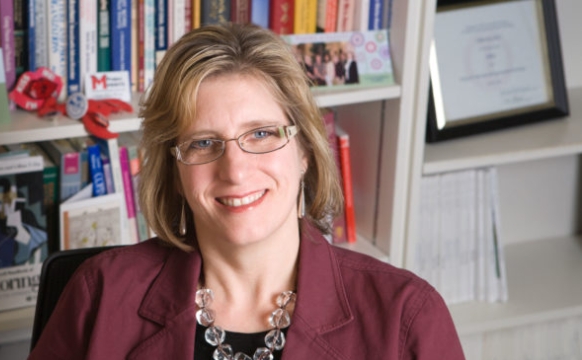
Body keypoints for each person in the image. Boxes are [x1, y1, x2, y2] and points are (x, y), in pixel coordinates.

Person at [28, 23, 464, 359]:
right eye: (202, 142)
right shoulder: (99, 294)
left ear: (306, 150)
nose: (235, 170)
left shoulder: (407, 315)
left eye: (260, 134)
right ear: (173, 169)